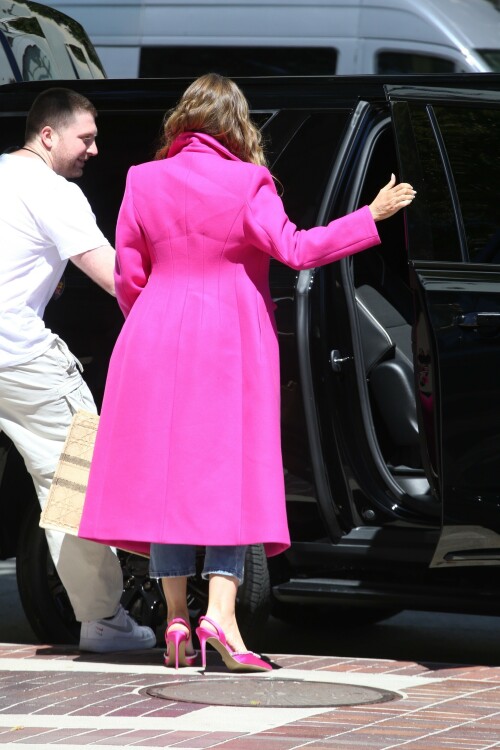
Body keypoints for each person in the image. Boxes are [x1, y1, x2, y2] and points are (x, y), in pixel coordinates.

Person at [78, 73, 416, 671]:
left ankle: (177, 619)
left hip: (154, 334)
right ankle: (223, 618)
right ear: (236, 124)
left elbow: (130, 274)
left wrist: (154, 321)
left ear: (183, 120)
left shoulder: (141, 179)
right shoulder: (246, 181)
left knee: (168, 480)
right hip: (227, 339)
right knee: (227, 476)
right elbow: (299, 250)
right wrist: (371, 214)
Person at [0, 87, 156, 653]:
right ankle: (105, 624)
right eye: (85, 137)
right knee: (76, 486)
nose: (95, 148)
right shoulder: (54, 191)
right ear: (48, 135)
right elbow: (119, 281)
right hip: (21, 360)